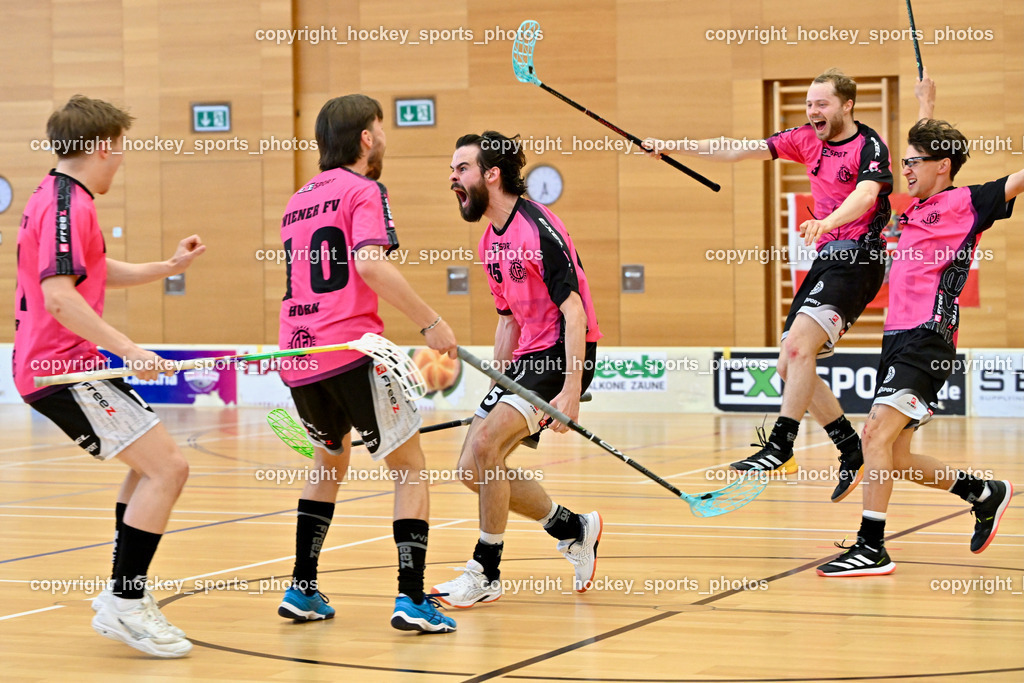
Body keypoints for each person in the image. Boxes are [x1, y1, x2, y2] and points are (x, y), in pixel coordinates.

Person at [14, 95, 205, 657]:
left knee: (150, 470)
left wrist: (166, 268)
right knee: (168, 468)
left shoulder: (57, 196)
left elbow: (92, 269)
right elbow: (58, 298)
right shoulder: (70, 204)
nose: (121, 160)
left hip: (70, 365)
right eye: (120, 149)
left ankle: (121, 597)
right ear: (101, 147)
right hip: (62, 368)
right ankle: (125, 602)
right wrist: (131, 349)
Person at [646, 69, 892, 502]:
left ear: (847, 105)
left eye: (822, 103)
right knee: (789, 365)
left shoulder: (869, 146)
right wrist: (671, 146)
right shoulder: (804, 138)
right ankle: (851, 449)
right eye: (810, 103)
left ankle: (780, 446)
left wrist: (828, 222)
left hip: (860, 256)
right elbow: (737, 149)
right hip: (827, 259)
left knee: (798, 350)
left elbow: (867, 195)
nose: (813, 111)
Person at [817, 74, 1017, 576]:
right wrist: (926, 103)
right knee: (895, 452)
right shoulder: (914, 209)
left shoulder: (969, 202)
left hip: (929, 338)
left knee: (875, 435)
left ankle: (871, 546)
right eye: (903, 160)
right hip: (896, 338)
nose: (903, 169)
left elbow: (1018, 179)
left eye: (912, 162)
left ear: (942, 166)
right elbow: (927, 138)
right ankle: (982, 492)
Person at [275, 94, 458, 633]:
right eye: (381, 128)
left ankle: (302, 590)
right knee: (410, 470)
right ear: (365, 139)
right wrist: (430, 323)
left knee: (327, 465)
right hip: (351, 353)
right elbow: (370, 264)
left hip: (299, 354)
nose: (384, 138)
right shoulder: (365, 190)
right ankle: (411, 600)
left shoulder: (297, 199)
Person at [433, 131, 602, 607]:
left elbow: (574, 314)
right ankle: (574, 528)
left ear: (492, 174)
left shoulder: (538, 229)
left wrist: (570, 391)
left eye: (461, 169)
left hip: (561, 355)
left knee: (486, 448)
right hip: (526, 358)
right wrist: (494, 391)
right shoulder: (490, 239)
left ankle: (485, 573)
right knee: (472, 467)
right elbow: (507, 321)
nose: (453, 178)